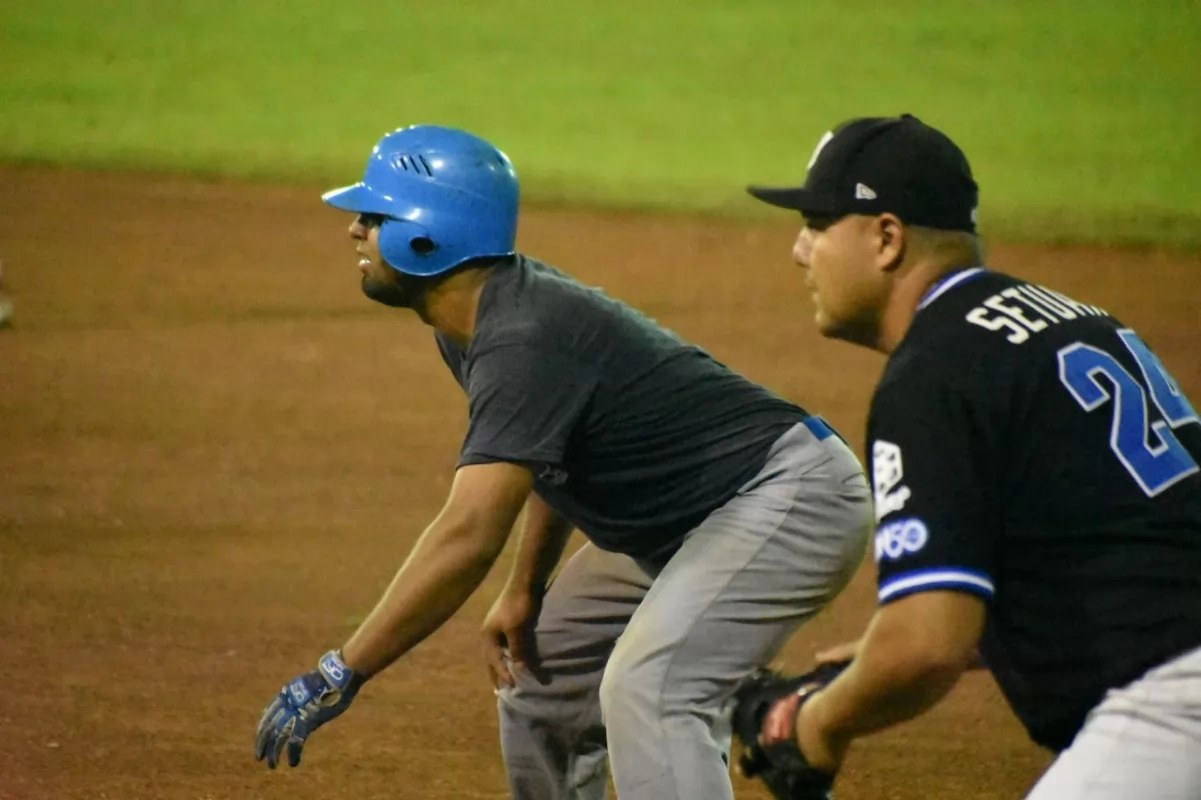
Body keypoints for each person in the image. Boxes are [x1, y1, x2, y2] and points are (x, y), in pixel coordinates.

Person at [253, 124, 873, 800]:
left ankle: (746, 704)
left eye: (374, 217)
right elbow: (548, 453)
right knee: (540, 685)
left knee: (653, 688)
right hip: (682, 521)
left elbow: (465, 537)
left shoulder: (522, 336)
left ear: (427, 233)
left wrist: (343, 669)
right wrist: (527, 589)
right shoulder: (472, 323)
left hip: (784, 497)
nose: (354, 232)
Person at [745, 113, 1201, 798]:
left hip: (1172, 710)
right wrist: (948, 648)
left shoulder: (933, 374)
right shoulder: (1075, 320)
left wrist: (813, 723)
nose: (799, 251)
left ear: (886, 238)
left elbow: (925, 645)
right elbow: (1140, 534)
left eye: (817, 223)